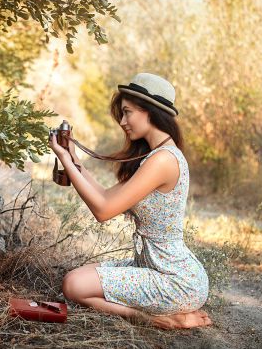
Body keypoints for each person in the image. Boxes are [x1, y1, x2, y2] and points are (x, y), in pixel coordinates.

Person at [48, 73, 212, 330]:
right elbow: (106, 196)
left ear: (151, 112)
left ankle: (155, 320)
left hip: (175, 280)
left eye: (127, 112)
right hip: (156, 269)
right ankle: (162, 313)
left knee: (73, 285)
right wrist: (73, 157)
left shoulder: (163, 160)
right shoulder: (155, 156)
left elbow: (103, 210)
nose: (122, 121)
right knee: (79, 278)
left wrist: (66, 162)